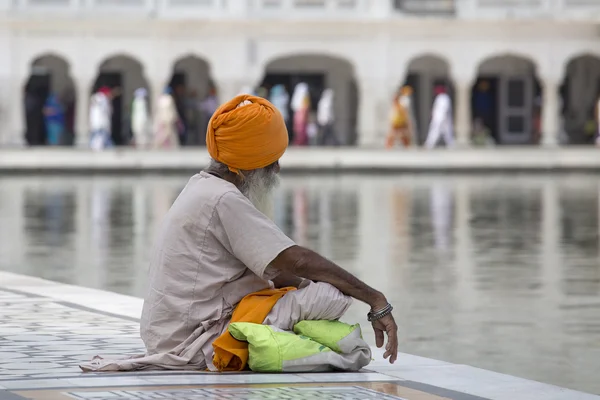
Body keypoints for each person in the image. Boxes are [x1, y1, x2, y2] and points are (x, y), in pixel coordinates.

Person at [80, 94, 398, 373]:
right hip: (195, 341)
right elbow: (295, 261)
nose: (276, 171)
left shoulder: (202, 186)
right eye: (271, 162)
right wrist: (374, 298)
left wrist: (303, 280)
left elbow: (278, 268)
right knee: (331, 294)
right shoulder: (224, 200)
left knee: (306, 285)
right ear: (247, 166)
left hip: (170, 334)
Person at [89, 86, 114, 151]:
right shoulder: (103, 99)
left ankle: (99, 146)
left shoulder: (96, 98)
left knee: (98, 134)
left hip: (96, 121)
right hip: (101, 121)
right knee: (100, 135)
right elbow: (106, 110)